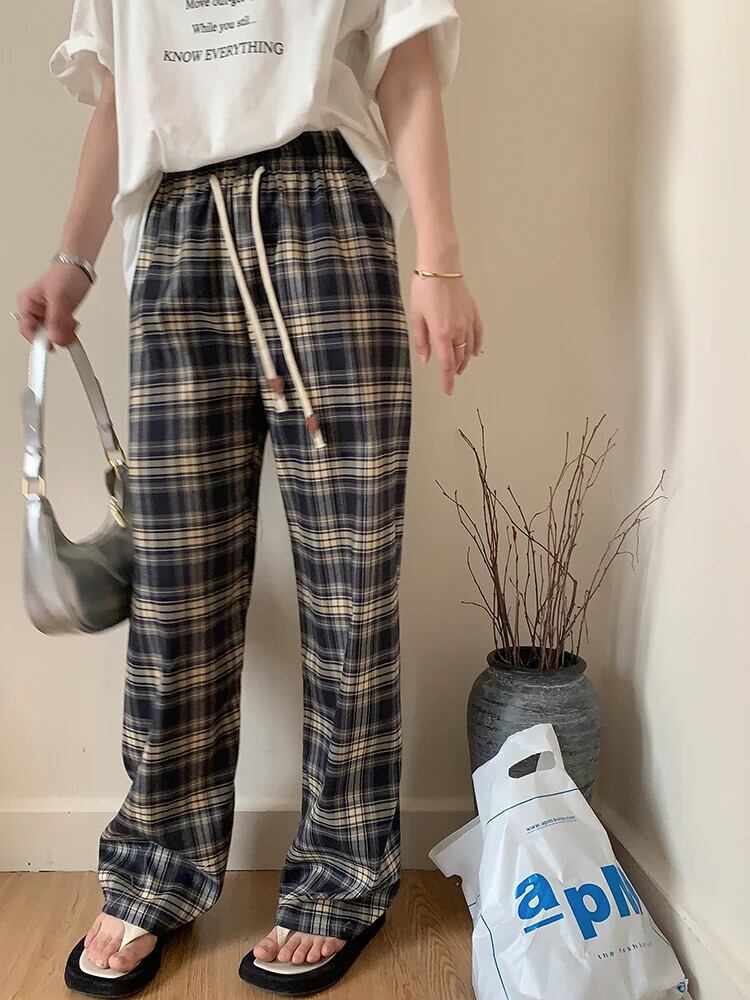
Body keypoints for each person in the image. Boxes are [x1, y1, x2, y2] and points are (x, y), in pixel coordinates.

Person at [15, 0, 482, 995]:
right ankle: (156, 866)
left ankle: (344, 877)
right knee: (176, 593)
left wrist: (438, 259)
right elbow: (120, 94)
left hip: (325, 218)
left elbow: (403, 60)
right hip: (177, 232)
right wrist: (73, 256)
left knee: (350, 584)